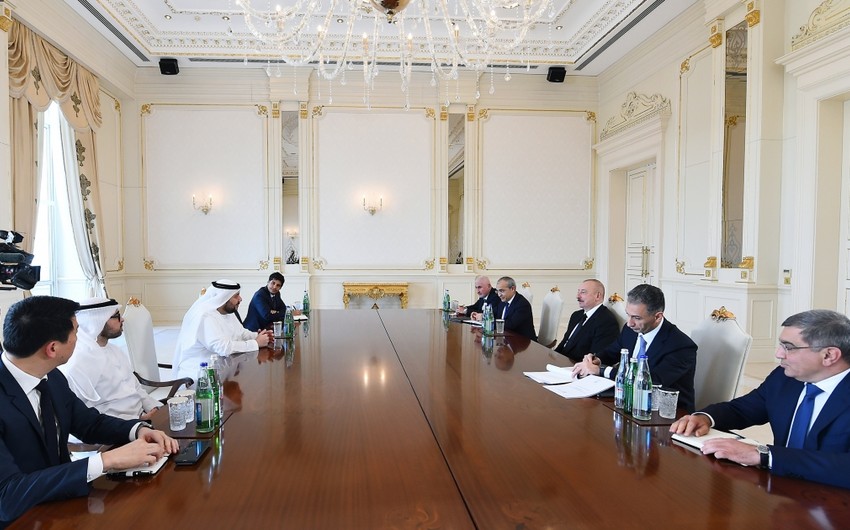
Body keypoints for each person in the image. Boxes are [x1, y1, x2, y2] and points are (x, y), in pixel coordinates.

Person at [0, 296, 178, 525]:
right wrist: (106, 461)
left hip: (61, 505)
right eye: (76, 331)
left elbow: (88, 423)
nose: (80, 337)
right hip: (22, 519)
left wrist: (137, 430)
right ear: (53, 348)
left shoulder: (52, 376)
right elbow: (7, 497)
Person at [670, 310, 850, 489]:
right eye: (781, 345)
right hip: (781, 490)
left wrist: (766, 455)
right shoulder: (785, 377)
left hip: (832, 496)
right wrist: (705, 417)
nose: (779, 354)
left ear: (829, 355)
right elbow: (743, 409)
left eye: (789, 347)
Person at [572, 284, 697, 412]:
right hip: (629, 403)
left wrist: (602, 370)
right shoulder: (631, 330)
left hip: (667, 413)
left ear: (658, 317)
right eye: (628, 315)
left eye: (637, 318)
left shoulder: (681, 346)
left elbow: (651, 381)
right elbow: (612, 352)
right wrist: (596, 359)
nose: (629, 323)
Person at [59, 298, 161, 420]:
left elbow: (136, 388)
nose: (122, 319)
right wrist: (136, 421)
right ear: (97, 321)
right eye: (116, 316)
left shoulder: (116, 350)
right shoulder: (80, 362)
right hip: (120, 427)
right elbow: (87, 413)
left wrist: (154, 407)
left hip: (143, 417)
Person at [172, 280, 272, 380]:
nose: (240, 299)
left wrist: (259, 336)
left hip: (222, 370)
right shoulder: (205, 316)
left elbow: (241, 333)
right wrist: (256, 343)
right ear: (224, 298)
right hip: (200, 377)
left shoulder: (226, 312)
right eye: (236, 296)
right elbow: (224, 348)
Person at [554, 279, 620, 361]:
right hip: (560, 361)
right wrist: (552, 358)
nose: (577, 296)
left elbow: (596, 357)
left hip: (577, 365)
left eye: (583, 292)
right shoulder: (576, 315)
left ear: (597, 296)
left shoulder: (606, 321)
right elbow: (564, 343)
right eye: (578, 292)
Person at [475, 276, 537, 341]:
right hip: (507, 340)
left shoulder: (522, 304)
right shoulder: (503, 301)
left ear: (512, 289)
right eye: (497, 291)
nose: (499, 295)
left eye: (502, 291)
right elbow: (493, 313)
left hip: (523, 342)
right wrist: (479, 316)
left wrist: (485, 319)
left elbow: (510, 325)